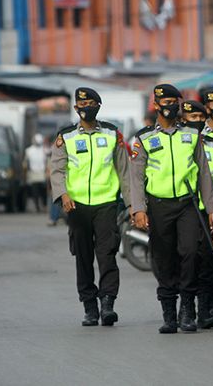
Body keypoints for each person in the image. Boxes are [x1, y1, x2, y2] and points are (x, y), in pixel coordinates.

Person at [130, 84, 213, 334]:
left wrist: (210, 208)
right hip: (158, 205)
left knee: (190, 253)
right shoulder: (144, 138)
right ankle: (169, 311)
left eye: (173, 101)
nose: (169, 106)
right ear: (156, 105)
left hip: (187, 204)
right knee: (164, 258)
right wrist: (138, 209)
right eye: (164, 102)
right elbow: (136, 177)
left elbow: (204, 174)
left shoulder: (191, 134)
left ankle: (187, 308)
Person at [50, 87, 131, 327]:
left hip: (106, 203)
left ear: (97, 106)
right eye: (81, 105)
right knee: (83, 257)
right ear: (76, 108)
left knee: (107, 255)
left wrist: (133, 206)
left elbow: (124, 172)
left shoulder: (112, 134)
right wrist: (63, 195)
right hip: (76, 206)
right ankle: (89, 307)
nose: (85, 108)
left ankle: (107, 303)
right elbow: (57, 170)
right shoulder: (66, 137)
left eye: (90, 104)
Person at [181, 99, 213, 329]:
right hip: (184, 207)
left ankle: (205, 309)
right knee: (186, 260)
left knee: (207, 260)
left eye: (199, 118)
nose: (195, 122)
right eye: (190, 118)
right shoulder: (178, 143)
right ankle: (186, 308)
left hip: (209, 211)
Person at [25, 134, 48, 213]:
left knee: (43, 190)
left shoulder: (44, 150)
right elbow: (26, 162)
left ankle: (44, 205)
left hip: (42, 173)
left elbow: (47, 161)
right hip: (33, 173)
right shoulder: (29, 150)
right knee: (35, 191)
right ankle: (37, 206)